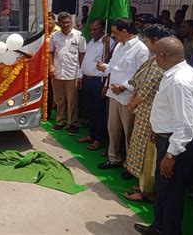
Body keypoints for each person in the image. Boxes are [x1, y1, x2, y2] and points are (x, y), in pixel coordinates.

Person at [134, 37, 193, 235]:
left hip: (177, 144)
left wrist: (171, 155)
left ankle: (168, 230)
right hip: (168, 137)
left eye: (155, 54)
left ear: (162, 56)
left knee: (171, 191)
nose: (154, 58)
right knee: (164, 189)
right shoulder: (180, 72)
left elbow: (184, 124)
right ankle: (159, 226)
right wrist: (158, 130)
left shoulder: (179, 81)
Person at [123, 25, 171, 203]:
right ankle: (143, 184)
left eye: (147, 40)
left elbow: (149, 87)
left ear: (156, 41)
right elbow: (140, 80)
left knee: (148, 152)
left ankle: (148, 191)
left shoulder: (162, 61)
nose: (145, 43)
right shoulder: (156, 58)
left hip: (152, 114)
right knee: (141, 149)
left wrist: (134, 101)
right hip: (144, 111)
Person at [96, 18, 149, 172]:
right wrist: (103, 68)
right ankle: (114, 158)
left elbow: (141, 75)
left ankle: (129, 164)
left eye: (115, 33)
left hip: (128, 97)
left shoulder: (141, 49)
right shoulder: (119, 45)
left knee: (129, 132)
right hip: (114, 94)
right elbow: (113, 66)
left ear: (125, 32)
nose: (113, 36)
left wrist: (124, 87)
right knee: (112, 128)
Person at [77, 19, 115, 150]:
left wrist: (106, 45)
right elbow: (85, 60)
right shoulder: (91, 42)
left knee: (99, 111)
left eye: (95, 29)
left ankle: (99, 139)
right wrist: (80, 75)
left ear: (103, 30)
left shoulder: (109, 43)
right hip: (88, 80)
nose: (92, 32)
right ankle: (92, 135)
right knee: (90, 110)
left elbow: (108, 62)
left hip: (99, 81)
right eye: (91, 29)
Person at [49, 11, 86, 135]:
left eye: (68, 22)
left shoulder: (79, 36)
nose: (66, 25)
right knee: (59, 99)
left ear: (71, 22)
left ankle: (73, 123)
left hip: (72, 73)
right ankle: (61, 121)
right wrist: (51, 66)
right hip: (58, 72)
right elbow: (50, 52)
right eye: (63, 23)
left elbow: (82, 55)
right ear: (59, 23)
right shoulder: (55, 36)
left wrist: (81, 73)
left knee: (72, 100)